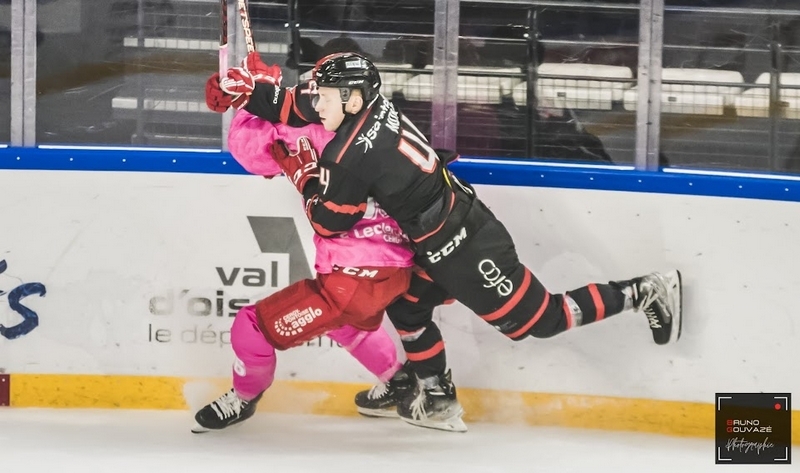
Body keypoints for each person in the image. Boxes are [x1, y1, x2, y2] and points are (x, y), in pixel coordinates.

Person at [206, 52, 683, 433]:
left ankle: (644, 292)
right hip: (433, 238)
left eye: (325, 96)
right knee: (407, 307)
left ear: (350, 99)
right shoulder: (366, 105)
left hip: (465, 246)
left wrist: (303, 175)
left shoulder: (350, 155)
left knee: (542, 320)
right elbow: (294, 104)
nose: (317, 103)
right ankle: (436, 397)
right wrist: (250, 93)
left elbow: (330, 221)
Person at [193, 81, 418, 432]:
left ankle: (243, 398)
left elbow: (250, 151)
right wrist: (258, 92)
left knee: (251, 327)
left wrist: (251, 98)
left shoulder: (307, 125)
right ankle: (399, 383)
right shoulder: (383, 121)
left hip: (353, 276)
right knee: (346, 324)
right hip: (395, 268)